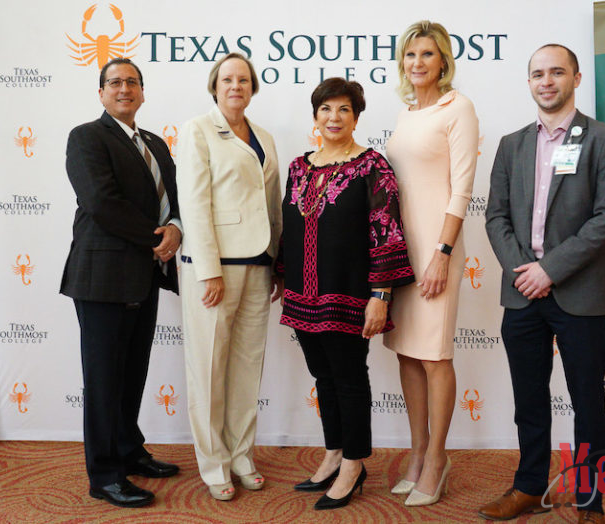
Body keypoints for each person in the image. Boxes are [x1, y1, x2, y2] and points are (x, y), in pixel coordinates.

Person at [480, 44, 605, 524]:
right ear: (528, 82)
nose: (547, 81)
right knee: (529, 398)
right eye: (538, 74)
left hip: (579, 292)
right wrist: (526, 271)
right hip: (522, 293)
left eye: (557, 72)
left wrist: (551, 270)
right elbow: (496, 216)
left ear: (576, 78)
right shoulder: (511, 143)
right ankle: (529, 486)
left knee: (587, 401)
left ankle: (591, 499)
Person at [279, 77, 415, 510]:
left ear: (356, 117)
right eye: (326, 110)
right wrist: (283, 278)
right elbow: (290, 229)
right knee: (323, 378)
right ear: (315, 116)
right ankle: (333, 452)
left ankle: (355, 464)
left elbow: (387, 231)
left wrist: (381, 293)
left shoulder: (372, 166)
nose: (334, 118)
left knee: (350, 379)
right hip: (302, 293)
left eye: (343, 110)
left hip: (351, 294)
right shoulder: (300, 167)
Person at [61, 57, 182, 508]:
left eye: (132, 82)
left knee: (132, 375)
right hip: (103, 279)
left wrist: (177, 228)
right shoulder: (87, 137)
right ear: (101, 93)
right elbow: (101, 202)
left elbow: (172, 198)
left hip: (144, 276)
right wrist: (158, 237)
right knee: (105, 380)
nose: (124, 88)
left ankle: (130, 451)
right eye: (114, 82)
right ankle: (106, 474)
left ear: (143, 92)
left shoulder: (154, 143)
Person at [175, 52, 282, 502]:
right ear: (214, 86)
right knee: (210, 368)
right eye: (227, 79)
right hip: (215, 269)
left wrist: (278, 262)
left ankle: (241, 455)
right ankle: (214, 463)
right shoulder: (197, 130)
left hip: (259, 265)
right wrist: (208, 270)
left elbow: (272, 203)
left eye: (243, 79)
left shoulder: (265, 136)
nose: (235, 86)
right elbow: (194, 204)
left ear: (252, 87)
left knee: (245, 368)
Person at [382, 20, 478, 507]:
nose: (417, 62)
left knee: (435, 357)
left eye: (427, 54)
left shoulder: (456, 107)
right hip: (401, 252)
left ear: (443, 60)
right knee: (407, 353)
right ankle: (416, 453)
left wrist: (442, 253)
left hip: (437, 250)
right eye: (410, 54)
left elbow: (461, 188)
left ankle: (437, 460)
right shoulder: (405, 114)